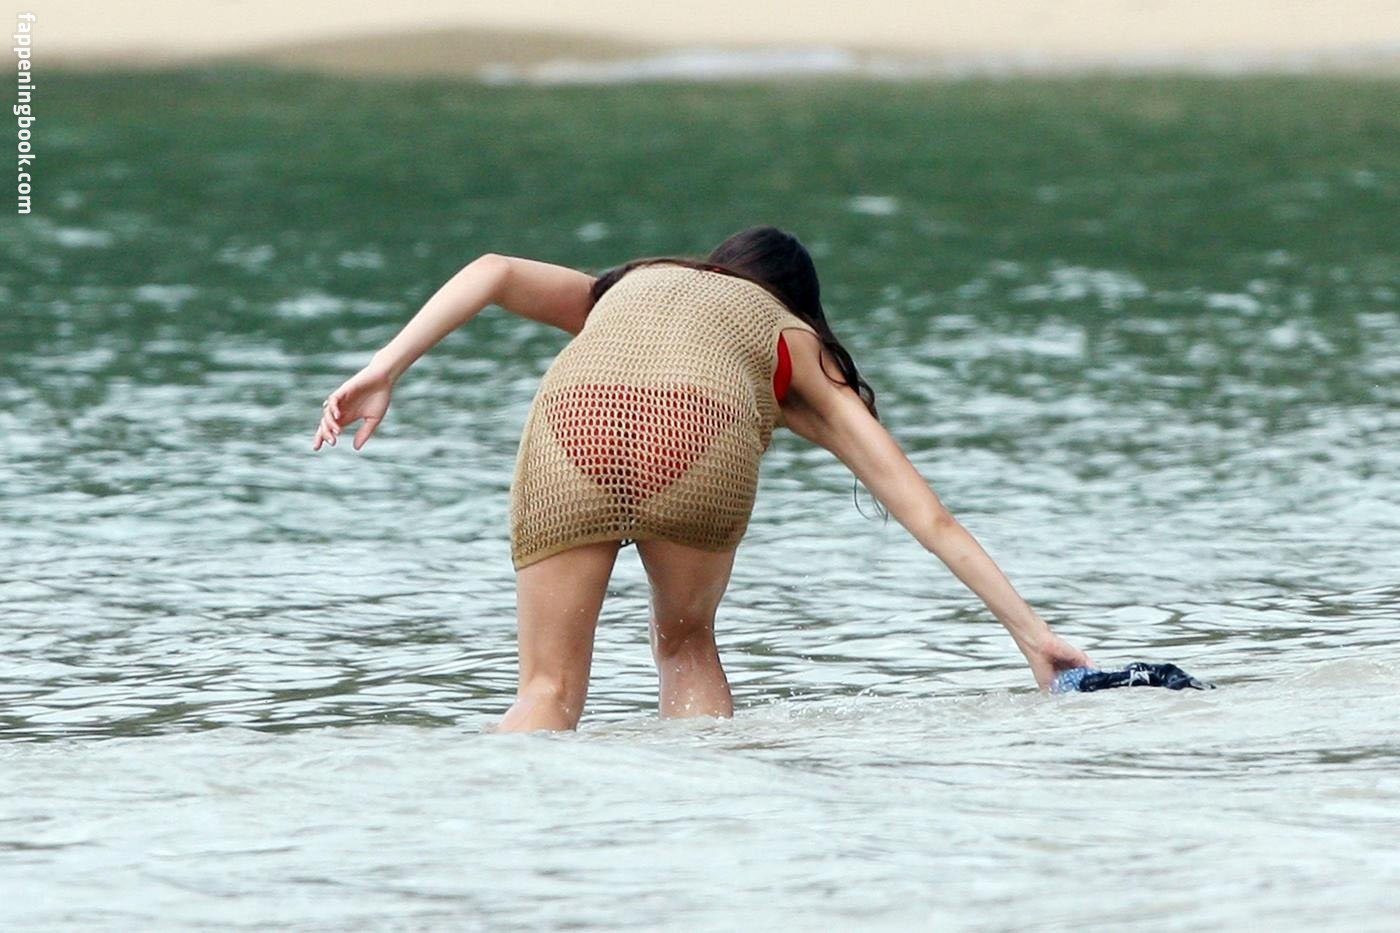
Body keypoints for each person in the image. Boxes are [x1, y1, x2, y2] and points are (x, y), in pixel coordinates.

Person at [312, 226, 1093, 732]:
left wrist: (384, 368)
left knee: (545, 689)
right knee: (685, 645)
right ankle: (704, 832)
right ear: (801, 302)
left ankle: (505, 840)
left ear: (721, 263)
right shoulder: (794, 340)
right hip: (698, 439)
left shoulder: (627, 284)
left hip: (573, 426)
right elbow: (930, 516)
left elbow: (491, 269)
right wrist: (1036, 637)